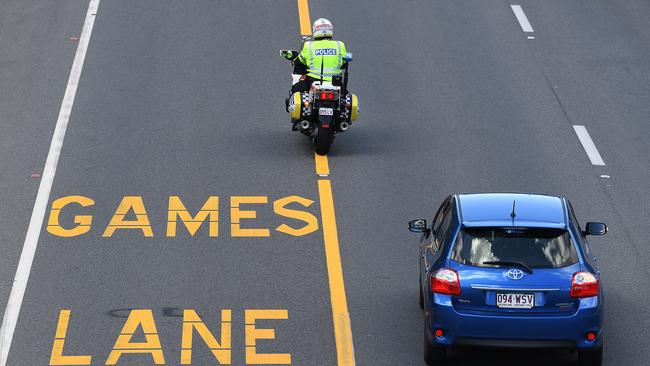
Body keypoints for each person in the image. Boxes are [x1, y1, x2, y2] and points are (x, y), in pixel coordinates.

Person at [290, 18, 348, 94]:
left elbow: (300, 61)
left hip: (313, 80)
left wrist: (294, 61)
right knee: (344, 97)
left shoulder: (309, 45)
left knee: (294, 90)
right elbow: (344, 62)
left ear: (315, 31)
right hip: (336, 82)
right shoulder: (340, 45)